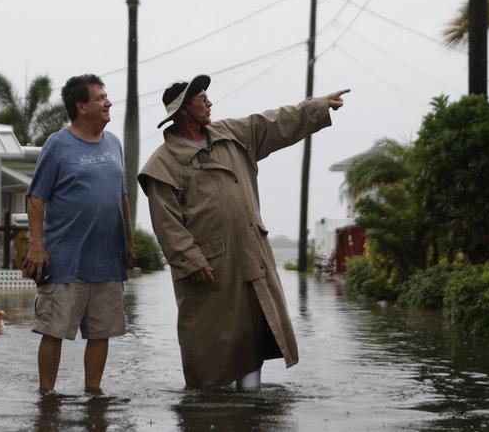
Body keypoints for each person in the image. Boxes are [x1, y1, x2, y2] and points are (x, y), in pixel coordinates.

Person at [138, 74, 348, 390]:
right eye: (201, 99)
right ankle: (209, 408)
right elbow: (167, 224)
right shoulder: (162, 165)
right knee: (211, 343)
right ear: (183, 110)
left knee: (253, 334)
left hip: (251, 257)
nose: (209, 103)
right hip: (209, 269)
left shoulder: (232, 134)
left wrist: (316, 108)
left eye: (208, 97)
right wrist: (191, 260)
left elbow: (274, 123)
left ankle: (250, 405)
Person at [24, 74, 135, 394]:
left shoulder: (114, 143)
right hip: (64, 258)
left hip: (107, 259)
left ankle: (94, 393)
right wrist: (37, 247)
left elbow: (122, 195)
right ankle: (46, 396)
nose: (108, 102)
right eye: (100, 97)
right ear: (81, 106)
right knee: (54, 330)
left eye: (106, 96)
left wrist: (128, 240)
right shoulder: (58, 144)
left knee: (102, 332)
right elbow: (36, 197)